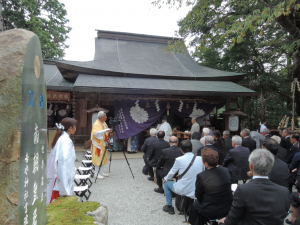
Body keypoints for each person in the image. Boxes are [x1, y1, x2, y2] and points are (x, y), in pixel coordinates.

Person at [218, 149, 290, 225]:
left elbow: (234, 217)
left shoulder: (243, 190)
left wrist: (225, 221)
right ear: (271, 166)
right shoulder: (284, 191)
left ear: (251, 166)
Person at [188, 148, 232, 225]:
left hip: (210, 210)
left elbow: (198, 196)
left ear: (206, 163)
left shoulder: (202, 176)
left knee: (195, 205)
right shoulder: (226, 171)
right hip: (226, 208)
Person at [162, 140, 205, 214]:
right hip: (198, 189)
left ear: (181, 150)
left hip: (184, 189)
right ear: (192, 148)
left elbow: (171, 173)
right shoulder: (201, 159)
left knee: (166, 183)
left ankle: (169, 207)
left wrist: (166, 178)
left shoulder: (179, 160)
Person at [47, 118, 77, 204]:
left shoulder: (62, 138)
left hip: (62, 174)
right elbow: (63, 164)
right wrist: (65, 188)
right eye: (75, 127)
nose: (75, 128)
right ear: (70, 128)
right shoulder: (65, 141)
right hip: (62, 176)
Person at [91, 111, 112, 180]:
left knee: (103, 158)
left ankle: (101, 172)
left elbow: (105, 131)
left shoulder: (104, 123)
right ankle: (96, 174)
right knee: (98, 158)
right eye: (105, 116)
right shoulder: (96, 124)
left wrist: (108, 132)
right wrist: (106, 130)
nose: (106, 117)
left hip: (103, 143)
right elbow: (95, 133)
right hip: (98, 144)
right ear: (102, 117)